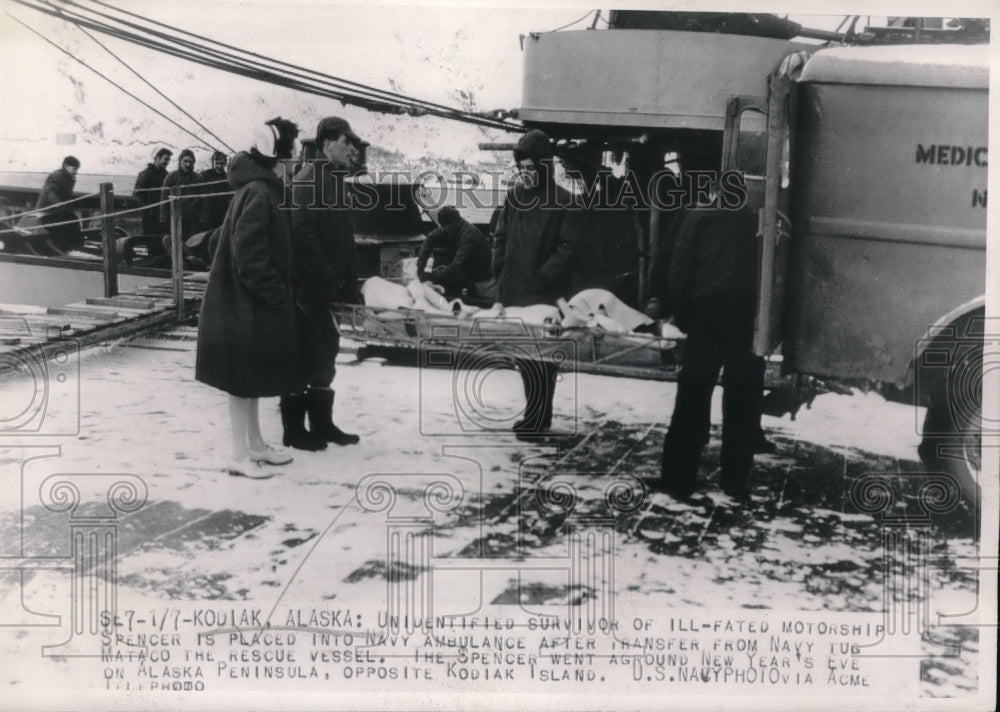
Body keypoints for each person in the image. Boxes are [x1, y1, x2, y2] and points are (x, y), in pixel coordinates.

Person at [195, 118, 305, 479]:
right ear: (280, 153)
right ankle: (239, 456)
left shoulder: (262, 187)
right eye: (294, 150)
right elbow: (249, 256)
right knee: (240, 381)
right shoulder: (260, 191)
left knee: (251, 376)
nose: (297, 157)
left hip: (249, 303)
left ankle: (256, 444)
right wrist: (278, 296)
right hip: (242, 305)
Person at [651, 173, 763, 500]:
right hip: (747, 320)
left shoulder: (697, 217)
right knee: (743, 399)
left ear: (714, 192)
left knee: (693, 398)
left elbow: (680, 270)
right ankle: (735, 480)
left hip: (706, 317)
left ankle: (679, 478)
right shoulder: (757, 221)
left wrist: (680, 315)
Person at [281, 116, 364, 449]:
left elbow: (345, 238)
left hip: (329, 289)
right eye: (348, 142)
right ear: (329, 142)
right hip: (308, 290)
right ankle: (294, 430)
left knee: (325, 352)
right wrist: (328, 277)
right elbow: (302, 236)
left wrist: (351, 282)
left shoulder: (335, 180)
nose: (353, 149)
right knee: (304, 353)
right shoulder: (307, 180)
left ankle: (322, 424)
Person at [494, 129, 580, 440]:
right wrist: (499, 267)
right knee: (524, 357)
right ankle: (536, 415)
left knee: (543, 360)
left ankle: (537, 417)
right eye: (522, 168)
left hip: (544, 294)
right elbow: (500, 235)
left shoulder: (565, 201)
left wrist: (545, 274)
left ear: (544, 166)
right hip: (515, 291)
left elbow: (570, 246)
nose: (526, 174)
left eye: (531, 168)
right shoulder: (515, 197)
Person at [416, 206, 491, 299]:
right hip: (466, 272)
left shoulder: (469, 236)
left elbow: (456, 266)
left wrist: (432, 276)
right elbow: (431, 238)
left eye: (446, 226)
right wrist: (421, 265)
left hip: (480, 278)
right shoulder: (454, 226)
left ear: (454, 223)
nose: (444, 229)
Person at [160, 148, 204, 263]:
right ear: (180, 161)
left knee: (193, 244)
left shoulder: (198, 179)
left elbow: (205, 200)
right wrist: (163, 219)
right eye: (185, 161)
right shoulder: (171, 178)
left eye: (191, 162)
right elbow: (164, 200)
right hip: (175, 218)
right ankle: (179, 264)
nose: (188, 164)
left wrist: (203, 218)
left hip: (193, 220)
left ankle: (191, 263)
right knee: (174, 242)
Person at [36, 155, 83, 251]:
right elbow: (50, 192)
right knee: (58, 228)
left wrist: (69, 209)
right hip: (48, 212)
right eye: (74, 169)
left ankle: (76, 247)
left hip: (58, 211)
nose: (76, 172)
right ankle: (64, 249)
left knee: (73, 220)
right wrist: (59, 204)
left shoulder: (68, 178)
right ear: (66, 165)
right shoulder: (57, 176)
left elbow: (66, 196)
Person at [134, 148, 172, 238]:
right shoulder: (145, 174)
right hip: (150, 216)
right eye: (165, 159)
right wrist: (147, 209)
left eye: (169, 160)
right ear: (158, 158)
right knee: (150, 241)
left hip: (163, 215)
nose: (167, 162)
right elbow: (138, 194)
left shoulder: (166, 175)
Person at [200, 150, 232, 231]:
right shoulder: (205, 175)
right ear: (213, 162)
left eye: (222, 164)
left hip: (222, 211)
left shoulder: (227, 177)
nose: (220, 166)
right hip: (208, 211)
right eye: (217, 163)